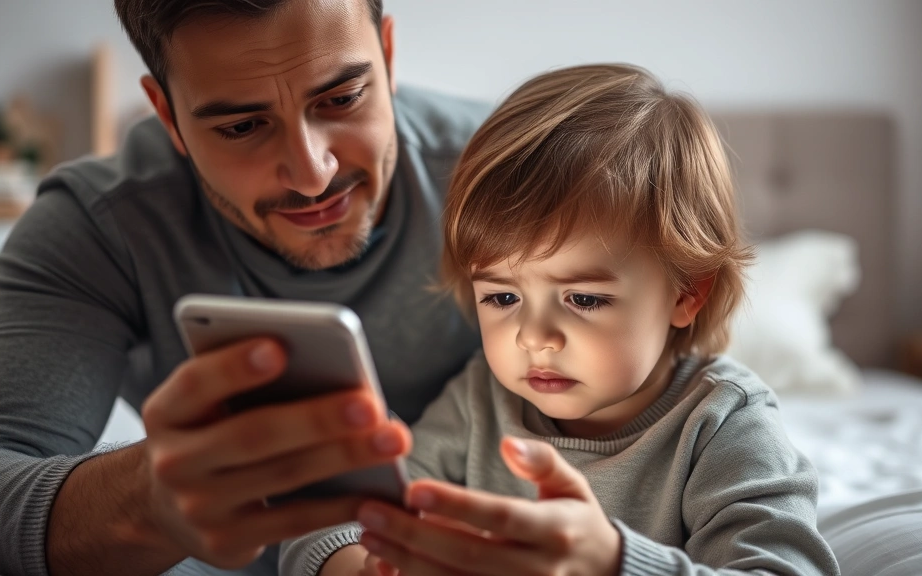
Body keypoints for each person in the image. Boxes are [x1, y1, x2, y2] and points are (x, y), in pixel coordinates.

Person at [0, 1, 491, 575]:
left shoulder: (522, 176)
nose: (312, 174)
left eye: (342, 99)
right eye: (242, 126)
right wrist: (147, 501)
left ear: (389, 56)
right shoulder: (99, 227)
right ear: (167, 116)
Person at [283, 64, 841, 576]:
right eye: (502, 299)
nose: (533, 337)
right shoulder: (482, 402)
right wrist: (362, 565)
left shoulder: (723, 424)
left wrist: (614, 563)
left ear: (687, 293)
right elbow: (338, 518)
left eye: (584, 299)